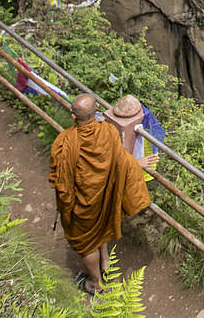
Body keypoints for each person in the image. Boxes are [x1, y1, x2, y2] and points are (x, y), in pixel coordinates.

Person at [48, 94, 160, 295]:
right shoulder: (108, 131)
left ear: (73, 116)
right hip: (105, 196)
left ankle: (95, 283)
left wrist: (66, 208)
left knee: (86, 243)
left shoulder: (64, 143)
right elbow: (120, 160)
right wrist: (137, 163)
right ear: (97, 109)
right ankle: (106, 263)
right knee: (102, 224)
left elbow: (62, 183)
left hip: (82, 204)